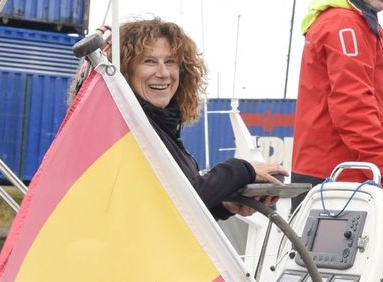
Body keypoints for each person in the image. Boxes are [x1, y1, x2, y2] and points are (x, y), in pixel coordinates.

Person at [98, 18, 288, 219]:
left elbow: (169, 211)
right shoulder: (123, 131)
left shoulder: (157, 127)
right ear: (125, 71)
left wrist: (223, 205)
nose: (163, 73)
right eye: (149, 61)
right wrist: (243, 170)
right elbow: (176, 202)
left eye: (170, 61)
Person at [292, 0, 383, 202]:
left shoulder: (360, 26)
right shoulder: (346, 26)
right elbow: (353, 106)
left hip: (342, 173)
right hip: (338, 176)